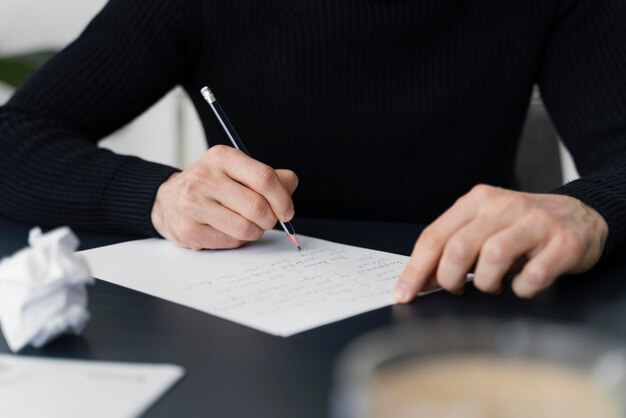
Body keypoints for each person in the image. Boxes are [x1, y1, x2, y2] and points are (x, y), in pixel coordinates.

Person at [0, 0, 624, 302]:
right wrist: (158, 197)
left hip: (469, 310)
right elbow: (14, 138)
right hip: (249, 325)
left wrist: (590, 206)